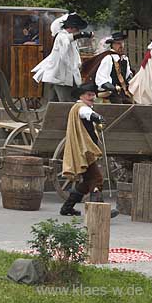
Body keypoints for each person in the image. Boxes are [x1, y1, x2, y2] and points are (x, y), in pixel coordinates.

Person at [59, 83, 117, 217]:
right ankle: (98, 211)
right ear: (81, 96)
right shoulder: (80, 107)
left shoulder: (82, 107)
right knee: (97, 178)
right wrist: (97, 118)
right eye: (89, 95)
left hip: (86, 150)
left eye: (93, 94)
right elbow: (87, 114)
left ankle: (67, 208)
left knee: (87, 182)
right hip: (84, 151)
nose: (92, 97)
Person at [31, 12, 92, 102]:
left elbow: (70, 40)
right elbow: (64, 58)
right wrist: (82, 34)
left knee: (54, 103)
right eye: (77, 29)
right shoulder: (61, 37)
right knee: (66, 103)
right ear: (71, 28)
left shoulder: (67, 38)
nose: (77, 31)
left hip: (60, 76)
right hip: (62, 78)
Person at [93, 31, 133, 103]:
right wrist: (113, 88)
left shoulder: (124, 58)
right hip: (111, 94)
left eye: (122, 43)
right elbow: (101, 79)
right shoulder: (108, 58)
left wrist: (131, 80)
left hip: (123, 92)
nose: (121, 45)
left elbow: (128, 75)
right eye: (118, 43)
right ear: (112, 45)